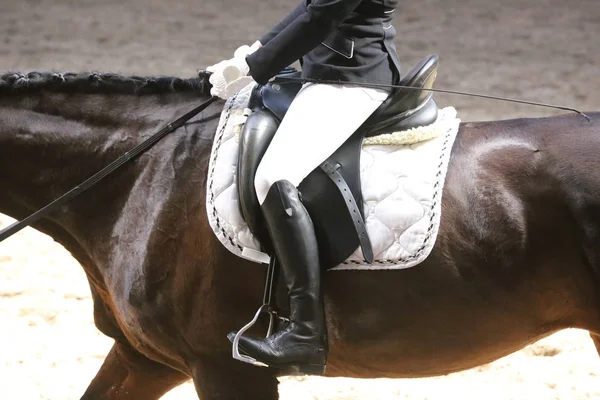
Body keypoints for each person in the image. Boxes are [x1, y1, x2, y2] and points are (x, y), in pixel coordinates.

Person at [207, 0, 402, 375]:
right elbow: (311, 5)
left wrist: (255, 69)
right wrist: (254, 53)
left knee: (274, 178)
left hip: (352, 78)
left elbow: (322, 16)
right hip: (327, 72)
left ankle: (306, 333)